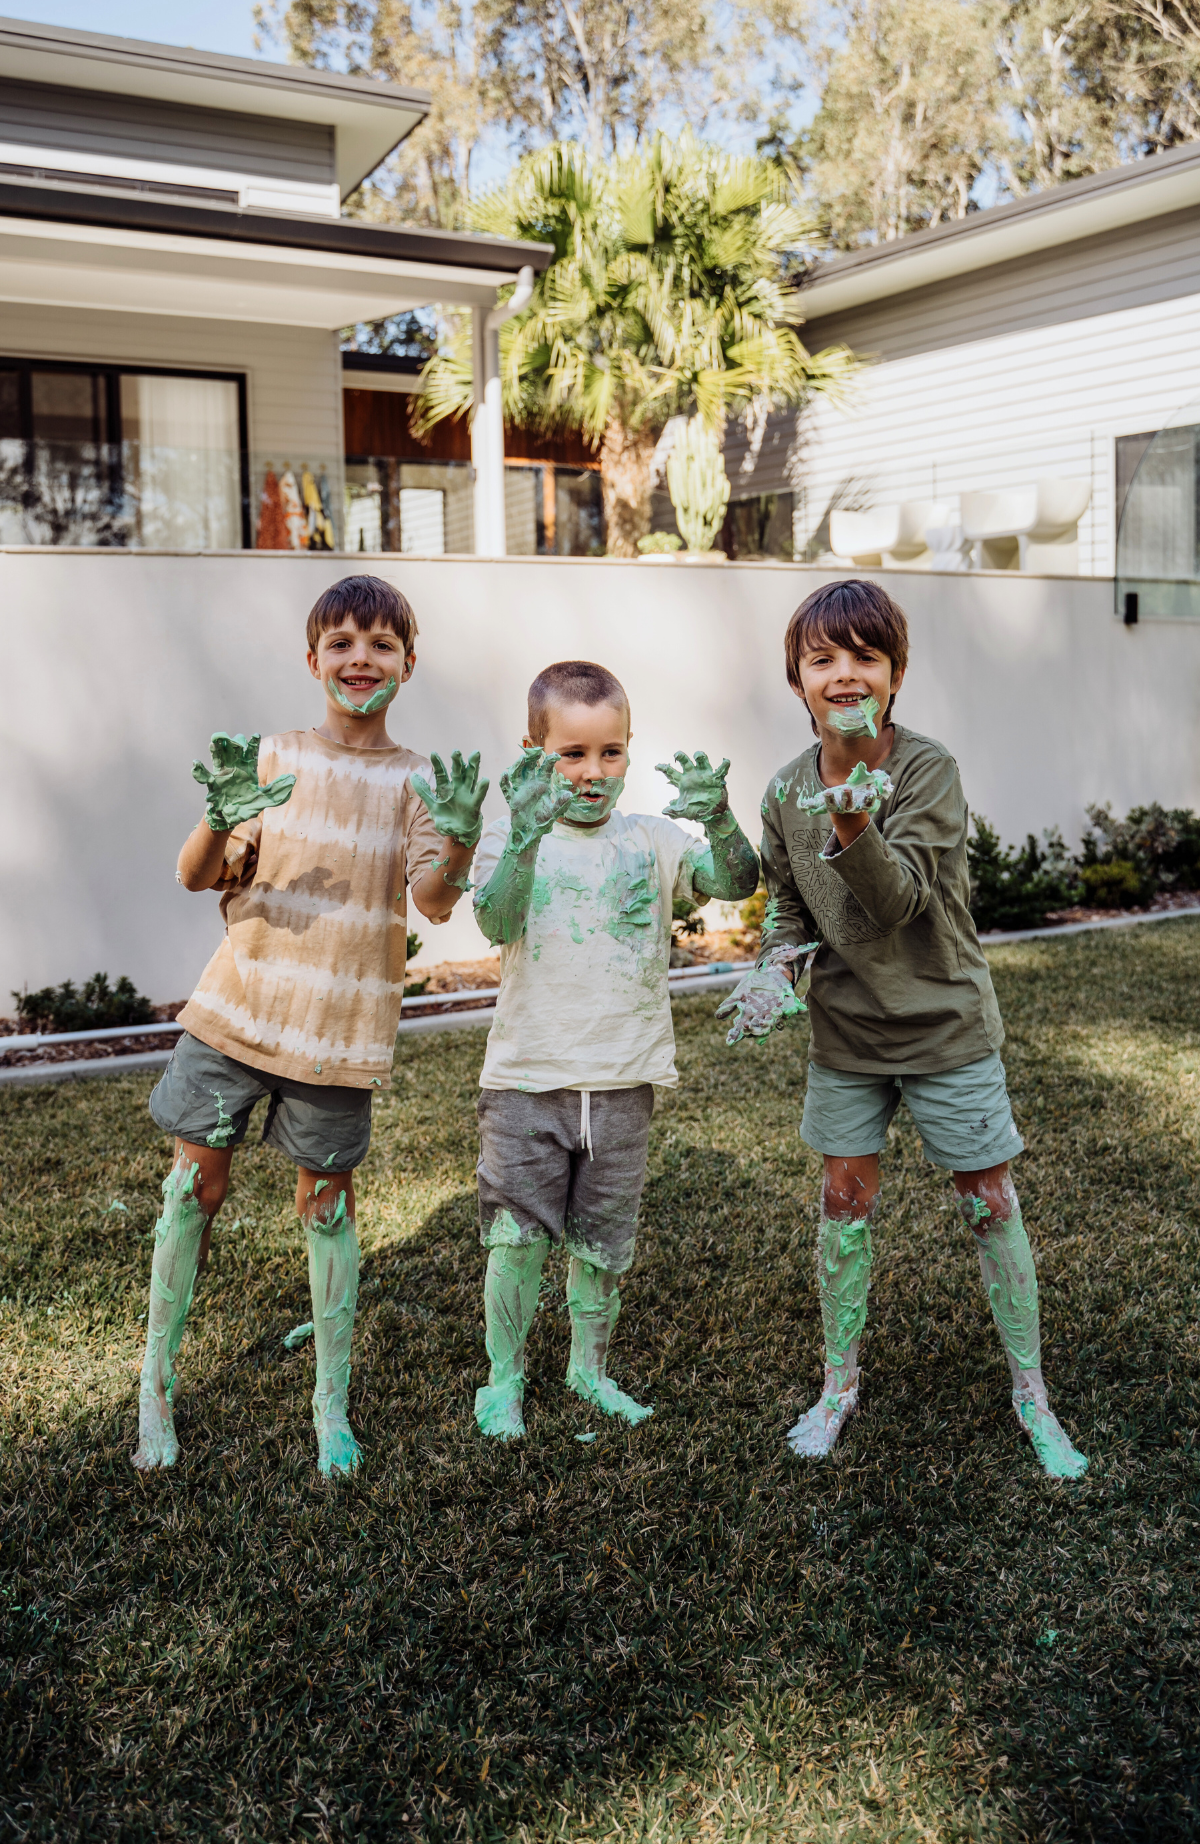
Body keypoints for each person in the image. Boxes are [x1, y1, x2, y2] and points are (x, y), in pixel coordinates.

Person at [719, 579, 1088, 1480]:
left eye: (865, 656)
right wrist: (774, 966)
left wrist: (851, 821)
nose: (845, 673)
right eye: (823, 659)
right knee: (842, 1205)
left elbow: (898, 903)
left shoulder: (927, 770)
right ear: (797, 680)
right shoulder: (781, 791)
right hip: (847, 1035)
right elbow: (790, 914)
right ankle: (839, 1386)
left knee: (988, 1203)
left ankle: (1031, 1393)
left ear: (895, 674)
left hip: (944, 1024)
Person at [133, 573, 487, 1480]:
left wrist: (460, 841)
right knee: (190, 1196)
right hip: (233, 1016)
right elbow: (194, 874)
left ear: (410, 662)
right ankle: (156, 1384)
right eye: (342, 643)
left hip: (338, 1039)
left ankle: (330, 1403)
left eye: (379, 644)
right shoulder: (271, 757)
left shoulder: (417, 781)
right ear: (313, 659)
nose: (360, 659)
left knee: (327, 1209)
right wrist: (219, 819)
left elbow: (432, 903)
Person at [469, 659, 760, 1440]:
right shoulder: (509, 833)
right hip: (528, 1079)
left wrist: (722, 819)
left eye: (611, 753)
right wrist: (527, 835)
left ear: (629, 751)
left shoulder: (653, 841)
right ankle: (504, 1380)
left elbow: (734, 880)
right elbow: (494, 922)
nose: (593, 774)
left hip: (625, 1079)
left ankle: (588, 1369)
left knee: (602, 1242)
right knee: (517, 1238)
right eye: (571, 754)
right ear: (534, 753)